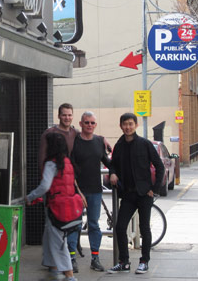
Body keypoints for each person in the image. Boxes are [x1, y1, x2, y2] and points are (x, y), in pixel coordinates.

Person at [107, 113, 165, 275]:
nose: (128, 127)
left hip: (145, 194)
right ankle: (124, 262)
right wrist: (112, 173)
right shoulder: (119, 145)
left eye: (130, 124)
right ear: (121, 126)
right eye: (125, 124)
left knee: (144, 228)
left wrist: (155, 189)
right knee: (120, 227)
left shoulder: (145, 144)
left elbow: (160, 166)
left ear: (136, 125)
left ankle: (144, 261)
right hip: (128, 194)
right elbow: (113, 164)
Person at [26, 133, 79, 281]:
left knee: (58, 243)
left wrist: (30, 196)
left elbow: (45, 186)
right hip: (68, 207)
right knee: (50, 237)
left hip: (56, 208)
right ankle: (54, 272)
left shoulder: (51, 164)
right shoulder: (67, 162)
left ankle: (69, 276)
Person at [67, 111, 111, 273]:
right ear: (81, 124)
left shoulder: (99, 141)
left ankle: (95, 258)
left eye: (92, 123)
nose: (90, 125)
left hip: (95, 191)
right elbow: (69, 168)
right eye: (86, 122)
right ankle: (71, 259)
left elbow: (107, 161)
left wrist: (114, 172)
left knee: (94, 224)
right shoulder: (74, 141)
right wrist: (77, 190)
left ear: (95, 125)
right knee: (75, 225)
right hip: (76, 191)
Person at [38, 103, 77, 174]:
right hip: (53, 174)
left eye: (69, 115)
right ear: (59, 116)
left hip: (70, 175)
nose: (67, 118)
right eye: (64, 115)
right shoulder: (49, 133)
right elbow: (42, 157)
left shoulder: (75, 133)